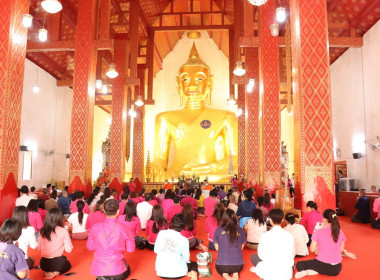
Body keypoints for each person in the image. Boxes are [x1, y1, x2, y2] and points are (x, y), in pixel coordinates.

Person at [150, 43, 238, 182]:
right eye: (185, 79)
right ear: (178, 82)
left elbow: (235, 159)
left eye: (199, 79)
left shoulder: (226, 117)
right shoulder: (164, 118)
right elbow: (160, 158)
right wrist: (155, 165)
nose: (191, 84)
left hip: (209, 174)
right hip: (177, 174)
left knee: (230, 176)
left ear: (210, 82)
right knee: (159, 178)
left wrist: (209, 167)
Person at [87, 199, 135, 280]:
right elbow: (131, 249)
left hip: (99, 270)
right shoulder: (124, 228)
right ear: (118, 211)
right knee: (127, 268)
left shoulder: (95, 227)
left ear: (104, 211)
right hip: (118, 270)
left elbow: (90, 247)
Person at [295, 209, 347, 278]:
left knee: (299, 264)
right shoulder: (340, 231)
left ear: (325, 219)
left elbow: (312, 249)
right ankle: (313, 271)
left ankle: (310, 271)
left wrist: (318, 245)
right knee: (317, 265)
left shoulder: (318, 232)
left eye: (322, 218)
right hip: (337, 268)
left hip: (322, 265)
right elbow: (341, 249)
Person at [250, 209, 295, 280]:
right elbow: (293, 254)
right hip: (286, 275)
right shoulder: (289, 235)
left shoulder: (265, 236)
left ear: (270, 220)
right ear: (282, 219)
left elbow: (261, 255)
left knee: (253, 257)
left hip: (269, 274)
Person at [154, 214, 199, 280]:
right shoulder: (184, 240)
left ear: (171, 223)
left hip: (160, 271)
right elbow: (186, 259)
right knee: (194, 264)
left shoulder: (161, 233)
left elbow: (156, 250)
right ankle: (193, 275)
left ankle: (189, 273)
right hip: (179, 272)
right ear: (184, 227)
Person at [38, 208, 73, 279]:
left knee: (54, 263)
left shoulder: (42, 231)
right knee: (68, 264)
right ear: (60, 218)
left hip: (43, 264)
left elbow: (39, 248)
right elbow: (69, 250)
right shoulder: (63, 231)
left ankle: (47, 271)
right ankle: (57, 272)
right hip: (58, 263)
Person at [213, 209, 246, 280]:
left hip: (222, 266)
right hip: (239, 266)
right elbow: (241, 248)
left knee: (218, 266)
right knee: (235, 266)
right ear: (235, 219)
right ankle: (235, 272)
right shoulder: (241, 230)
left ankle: (225, 275)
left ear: (223, 219)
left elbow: (217, 248)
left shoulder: (218, 230)